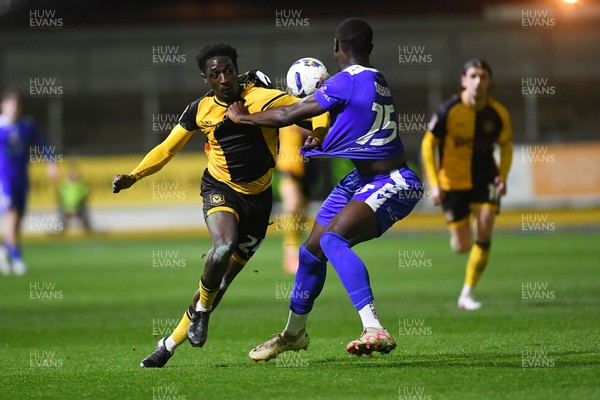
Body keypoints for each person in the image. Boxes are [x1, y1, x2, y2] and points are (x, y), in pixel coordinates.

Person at [112, 43, 328, 368]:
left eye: (228, 70)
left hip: (258, 201)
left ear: (236, 69)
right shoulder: (199, 110)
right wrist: (134, 176)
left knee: (220, 282)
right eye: (216, 74)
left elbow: (316, 108)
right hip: (220, 189)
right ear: (206, 79)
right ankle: (201, 315)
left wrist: (320, 133)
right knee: (223, 245)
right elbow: (166, 148)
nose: (224, 78)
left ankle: (169, 344)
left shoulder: (264, 97)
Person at [227, 18, 422, 360]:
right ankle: (293, 333)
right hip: (360, 180)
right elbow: (344, 119)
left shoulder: (346, 81)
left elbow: (288, 113)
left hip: (391, 181)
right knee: (311, 252)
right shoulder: (377, 79)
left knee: (333, 240)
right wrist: (319, 134)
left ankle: (374, 327)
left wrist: (243, 118)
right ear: (370, 49)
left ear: (336, 48)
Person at [421, 59, 513, 310]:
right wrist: (435, 181)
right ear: (463, 80)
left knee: (484, 233)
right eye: (473, 76)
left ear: (489, 83)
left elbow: (505, 146)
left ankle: (467, 294)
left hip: (486, 180)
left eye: (483, 77)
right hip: (453, 182)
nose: (478, 82)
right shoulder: (448, 109)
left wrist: (502, 176)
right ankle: (461, 239)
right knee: (461, 246)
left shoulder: (498, 113)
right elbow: (429, 144)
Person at [0, 90, 58, 276]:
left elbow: (42, 144)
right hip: (4, 179)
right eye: (10, 104)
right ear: (3, 106)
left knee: (18, 220)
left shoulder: (27, 126)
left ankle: (4, 251)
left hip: (22, 179)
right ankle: (17, 258)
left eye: (16, 105)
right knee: (13, 216)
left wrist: (51, 162)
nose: (14, 108)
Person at [57, 166, 92, 233]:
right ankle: (61, 231)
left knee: (85, 210)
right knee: (61, 211)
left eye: (74, 174)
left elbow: (84, 197)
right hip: (66, 208)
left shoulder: (81, 185)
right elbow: (61, 198)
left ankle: (88, 230)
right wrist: (69, 209)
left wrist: (75, 209)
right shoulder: (64, 185)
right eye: (71, 174)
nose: (73, 176)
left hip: (78, 208)